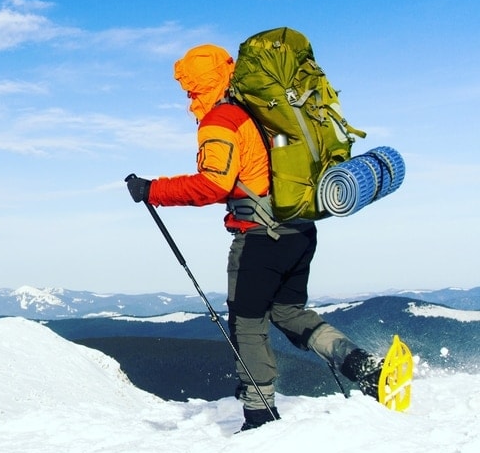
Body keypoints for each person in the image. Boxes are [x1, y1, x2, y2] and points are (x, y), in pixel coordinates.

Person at [125, 43, 382, 431]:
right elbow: (251, 177)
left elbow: (213, 184)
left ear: (197, 82)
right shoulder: (262, 113)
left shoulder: (221, 120)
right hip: (299, 229)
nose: (186, 94)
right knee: (288, 312)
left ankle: (259, 416)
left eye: (187, 86)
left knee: (247, 324)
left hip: (260, 238)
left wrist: (153, 190)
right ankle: (361, 366)